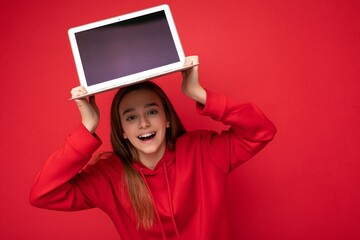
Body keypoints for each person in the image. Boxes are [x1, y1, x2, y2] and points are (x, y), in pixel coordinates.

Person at [30, 56, 276, 240]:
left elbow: (261, 131)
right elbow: (43, 194)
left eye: (152, 111)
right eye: (130, 117)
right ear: (122, 132)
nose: (144, 123)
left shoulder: (203, 151)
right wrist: (87, 127)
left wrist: (199, 93)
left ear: (167, 119)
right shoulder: (109, 176)